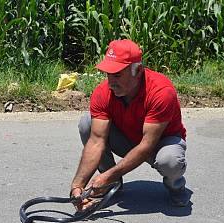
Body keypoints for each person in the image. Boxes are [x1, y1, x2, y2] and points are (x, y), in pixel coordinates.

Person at [70, 39, 190, 212]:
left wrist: (107, 175)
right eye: (108, 74)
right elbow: (96, 141)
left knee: (169, 162)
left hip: (159, 144)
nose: (111, 81)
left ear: (138, 70)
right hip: (130, 139)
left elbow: (147, 146)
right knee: (87, 123)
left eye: (117, 75)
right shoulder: (103, 93)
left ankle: (176, 187)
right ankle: (110, 185)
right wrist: (77, 186)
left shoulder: (161, 92)